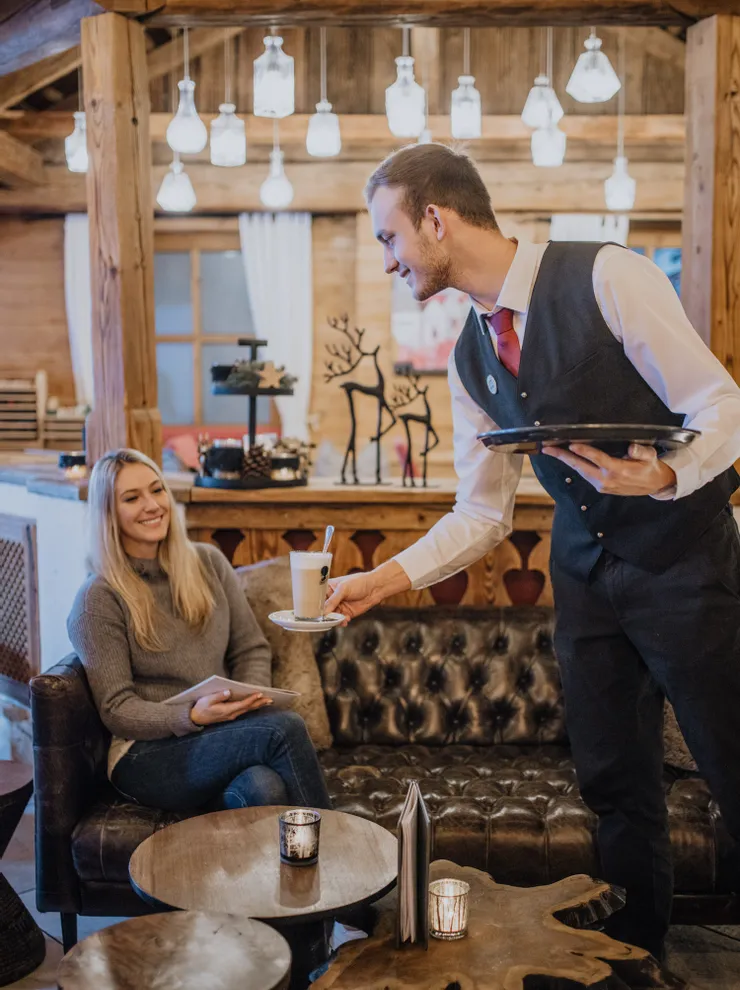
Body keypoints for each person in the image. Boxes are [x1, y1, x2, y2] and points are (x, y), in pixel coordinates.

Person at [325, 143, 740, 959]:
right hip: (583, 574)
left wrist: (661, 471)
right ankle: (636, 947)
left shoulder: (607, 276)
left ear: (435, 220)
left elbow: (721, 402)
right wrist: (385, 577)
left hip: (686, 563)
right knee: (615, 779)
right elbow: (480, 514)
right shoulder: (470, 359)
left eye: (388, 238)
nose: (386, 261)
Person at [68, 447, 331, 814]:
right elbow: (116, 709)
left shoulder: (208, 562)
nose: (152, 505)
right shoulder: (98, 598)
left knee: (262, 786)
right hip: (144, 754)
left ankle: (285, 867)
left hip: (219, 733)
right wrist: (190, 716)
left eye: (157, 490)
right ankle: (339, 856)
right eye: (132, 497)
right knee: (282, 728)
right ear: (108, 514)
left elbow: (250, 648)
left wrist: (244, 704)